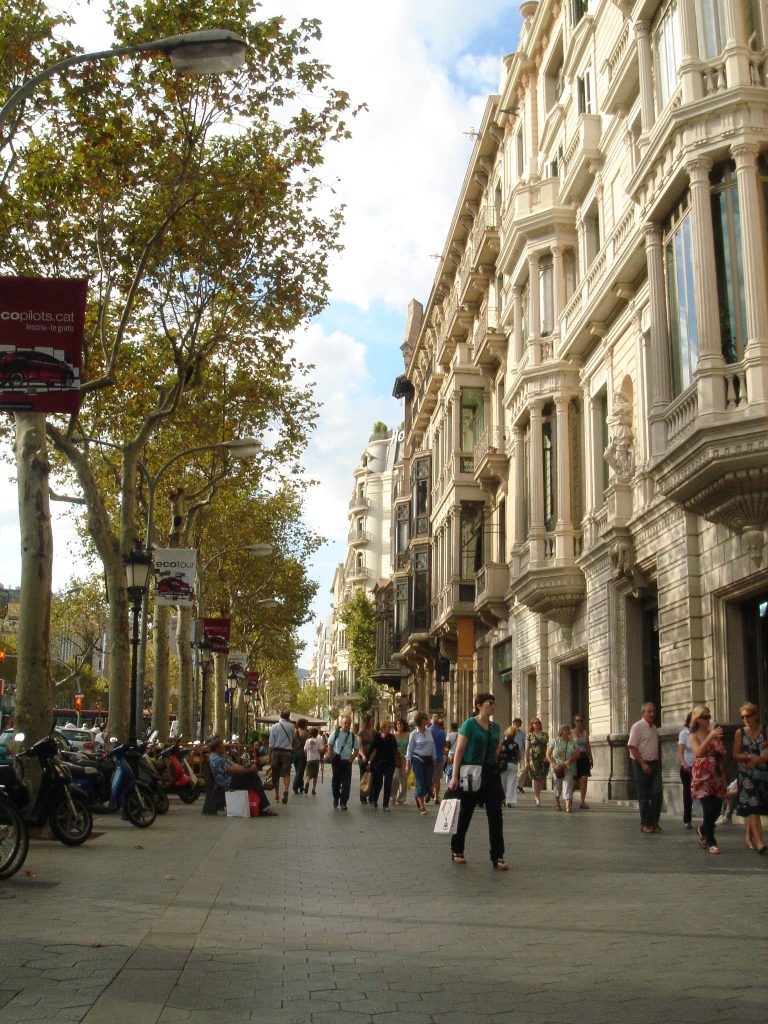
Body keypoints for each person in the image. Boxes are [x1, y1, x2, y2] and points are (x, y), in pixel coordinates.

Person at [448, 692, 506, 870]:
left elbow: (496, 750)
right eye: (489, 703)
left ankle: (498, 856)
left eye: (494, 703)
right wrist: (454, 776)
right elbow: (459, 751)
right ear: (479, 705)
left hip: (490, 773)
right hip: (470, 772)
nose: (493, 706)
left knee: (495, 815)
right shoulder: (469, 724)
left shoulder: (495, 727)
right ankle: (457, 849)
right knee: (466, 812)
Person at [688, 706, 727, 855]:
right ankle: (712, 841)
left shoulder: (714, 733)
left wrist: (718, 742)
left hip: (716, 772)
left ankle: (703, 829)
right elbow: (698, 752)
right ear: (697, 719)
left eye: (709, 717)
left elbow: (721, 751)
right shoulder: (693, 735)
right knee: (708, 808)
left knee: (717, 808)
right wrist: (710, 737)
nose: (708, 720)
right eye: (705, 717)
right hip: (702, 774)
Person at [732, 702, 768, 853]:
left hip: (761, 772)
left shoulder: (764, 731)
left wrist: (757, 760)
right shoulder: (740, 732)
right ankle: (760, 842)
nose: (745, 719)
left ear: (755, 715)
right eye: (743, 717)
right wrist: (748, 757)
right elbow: (735, 754)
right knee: (753, 803)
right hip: (745, 774)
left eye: (748, 716)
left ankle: (748, 837)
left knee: (757, 806)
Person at [208, 737, 277, 815]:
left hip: (231, 779)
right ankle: (263, 803)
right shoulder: (217, 759)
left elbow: (235, 765)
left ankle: (262, 804)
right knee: (252, 777)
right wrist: (249, 770)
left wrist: (247, 768)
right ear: (218, 748)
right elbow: (232, 770)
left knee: (251, 773)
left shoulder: (218, 756)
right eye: (222, 746)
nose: (224, 747)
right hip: (229, 783)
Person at [627, 702, 662, 834]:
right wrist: (643, 763)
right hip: (640, 763)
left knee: (657, 793)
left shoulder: (654, 728)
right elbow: (632, 746)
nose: (652, 714)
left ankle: (654, 821)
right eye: (649, 711)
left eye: (654, 711)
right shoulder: (637, 727)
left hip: (654, 763)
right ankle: (646, 823)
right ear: (643, 713)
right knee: (644, 795)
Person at [406, 711, 437, 815]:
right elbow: (409, 749)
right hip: (418, 759)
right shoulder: (414, 734)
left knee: (428, 783)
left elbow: (432, 746)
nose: (427, 719)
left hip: (428, 759)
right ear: (420, 720)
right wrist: (408, 763)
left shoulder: (429, 732)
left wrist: (434, 758)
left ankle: (419, 795)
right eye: (425, 718)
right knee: (420, 782)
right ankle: (422, 806)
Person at [327, 714, 358, 810]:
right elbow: (330, 744)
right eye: (345, 723)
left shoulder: (353, 736)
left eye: (349, 723)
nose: (347, 725)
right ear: (341, 723)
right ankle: (336, 798)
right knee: (335, 782)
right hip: (337, 761)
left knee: (346, 784)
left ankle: (344, 802)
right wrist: (331, 756)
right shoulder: (336, 733)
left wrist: (352, 758)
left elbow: (356, 749)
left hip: (346, 762)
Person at [547, 725, 579, 812]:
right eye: (566, 730)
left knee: (568, 784)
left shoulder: (572, 742)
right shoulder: (554, 741)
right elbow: (548, 754)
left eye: (568, 729)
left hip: (569, 767)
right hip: (557, 768)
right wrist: (554, 764)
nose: (568, 731)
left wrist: (570, 759)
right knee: (557, 785)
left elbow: (577, 753)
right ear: (561, 731)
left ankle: (567, 804)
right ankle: (557, 801)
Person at [367, 720, 398, 810]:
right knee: (378, 783)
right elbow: (374, 750)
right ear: (383, 728)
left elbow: (395, 750)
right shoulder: (377, 736)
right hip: (378, 762)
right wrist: (369, 762)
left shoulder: (392, 738)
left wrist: (397, 760)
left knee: (388, 783)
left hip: (390, 763)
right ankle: (375, 799)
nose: (390, 728)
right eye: (388, 727)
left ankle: (385, 804)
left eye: (390, 727)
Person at [268, 709, 295, 805]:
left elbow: (271, 743)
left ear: (280, 715)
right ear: (289, 716)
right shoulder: (291, 726)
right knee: (286, 773)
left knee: (275, 774)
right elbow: (293, 738)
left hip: (276, 752)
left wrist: (269, 756)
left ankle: (277, 795)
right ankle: (286, 790)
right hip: (287, 752)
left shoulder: (274, 726)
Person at [525, 718, 549, 807]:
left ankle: (538, 793)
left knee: (542, 778)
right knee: (535, 778)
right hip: (533, 759)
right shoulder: (529, 735)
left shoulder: (545, 735)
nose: (537, 724)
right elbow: (527, 748)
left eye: (538, 722)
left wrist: (547, 756)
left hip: (543, 758)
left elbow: (547, 746)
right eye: (535, 723)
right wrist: (526, 761)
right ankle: (537, 797)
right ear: (532, 724)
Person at [677, 712, 695, 830]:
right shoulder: (684, 734)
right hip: (687, 767)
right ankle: (687, 819)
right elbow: (681, 752)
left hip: (700, 767)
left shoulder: (701, 733)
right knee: (687, 793)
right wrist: (684, 764)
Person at [572, 715, 592, 809]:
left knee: (584, 779)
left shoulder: (585, 732)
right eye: (577, 720)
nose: (579, 722)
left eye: (580, 720)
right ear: (574, 722)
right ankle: (569, 797)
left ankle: (582, 801)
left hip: (584, 757)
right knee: (574, 782)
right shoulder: (571, 732)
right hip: (575, 758)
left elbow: (587, 745)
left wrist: (591, 757)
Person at [357, 714, 376, 804]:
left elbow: (376, 747)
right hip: (363, 758)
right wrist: (363, 755)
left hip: (372, 757)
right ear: (367, 721)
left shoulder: (374, 732)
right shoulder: (362, 732)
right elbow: (359, 746)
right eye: (372, 720)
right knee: (363, 777)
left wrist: (370, 759)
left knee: (372, 777)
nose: (373, 721)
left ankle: (371, 797)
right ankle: (363, 797)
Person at [500, 724, 520, 807]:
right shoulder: (516, 744)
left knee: (502, 782)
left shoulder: (502, 743)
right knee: (512, 783)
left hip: (503, 764)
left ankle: (502, 799)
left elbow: (497, 753)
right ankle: (510, 801)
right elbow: (518, 756)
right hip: (513, 764)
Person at [428, 714, 447, 802]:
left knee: (430, 777)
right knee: (437, 779)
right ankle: (436, 796)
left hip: (429, 758)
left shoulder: (428, 731)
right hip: (439, 758)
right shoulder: (442, 732)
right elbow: (444, 745)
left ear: (431, 721)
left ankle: (430, 791)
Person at [391, 719, 410, 805]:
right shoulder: (393, 736)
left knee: (404, 778)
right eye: (398, 724)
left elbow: (411, 747)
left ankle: (401, 798)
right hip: (396, 759)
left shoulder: (408, 735)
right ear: (396, 725)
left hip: (405, 759)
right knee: (395, 777)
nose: (399, 725)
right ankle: (393, 796)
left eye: (401, 724)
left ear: (404, 725)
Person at [292, 717, 310, 795]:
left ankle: (301, 786)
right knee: (300, 772)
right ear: (304, 724)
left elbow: (292, 742)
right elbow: (308, 744)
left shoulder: (295, 732)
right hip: (302, 754)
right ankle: (295, 787)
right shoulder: (306, 733)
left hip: (295, 753)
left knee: (298, 771)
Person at [304, 727, 321, 796]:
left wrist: (307, 756)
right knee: (315, 775)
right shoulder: (318, 741)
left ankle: (307, 782)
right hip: (316, 759)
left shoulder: (308, 741)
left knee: (308, 774)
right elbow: (321, 749)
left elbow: (305, 750)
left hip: (309, 759)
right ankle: (313, 789)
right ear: (317, 734)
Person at [512, 718, 526, 792]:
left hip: (521, 752)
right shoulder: (511, 732)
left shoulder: (523, 733)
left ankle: (520, 784)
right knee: (513, 769)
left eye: (518, 722)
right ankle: (514, 784)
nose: (517, 724)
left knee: (524, 769)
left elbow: (525, 743)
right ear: (513, 723)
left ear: (520, 724)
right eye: (515, 722)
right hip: (513, 752)